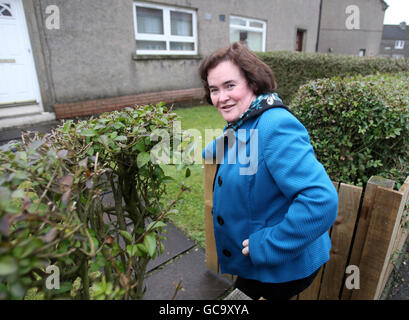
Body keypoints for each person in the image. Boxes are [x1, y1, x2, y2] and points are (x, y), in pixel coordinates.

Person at [199, 42, 338, 300]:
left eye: (230, 85)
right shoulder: (245, 121)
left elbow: (321, 201)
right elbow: (244, 147)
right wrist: (214, 150)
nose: (221, 97)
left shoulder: (275, 126)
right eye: (214, 89)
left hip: (281, 268)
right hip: (259, 263)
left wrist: (269, 245)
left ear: (252, 83)